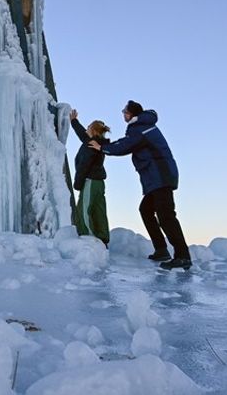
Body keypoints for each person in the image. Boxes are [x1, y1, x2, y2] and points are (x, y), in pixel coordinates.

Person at [90, 100, 192, 270]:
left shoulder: (141, 128)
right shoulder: (140, 128)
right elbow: (126, 142)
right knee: (146, 210)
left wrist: (102, 148)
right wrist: (105, 145)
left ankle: (183, 255)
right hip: (156, 178)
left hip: (161, 177)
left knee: (166, 216)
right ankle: (161, 249)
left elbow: (125, 145)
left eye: (125, 111)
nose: (123, 114)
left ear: (131, 113)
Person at [68, 109, 111, 246]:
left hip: (90, 181)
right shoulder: (96, 143)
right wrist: (74, 121)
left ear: (93, 130)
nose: (86, 128)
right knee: (99, 209)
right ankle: (102, 237)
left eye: (88, 127)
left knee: (84, 209)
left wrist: (78, 183)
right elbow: (82, 135)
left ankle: (88, 238)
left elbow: (84, 166)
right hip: (99, 183)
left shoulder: (91, 145)